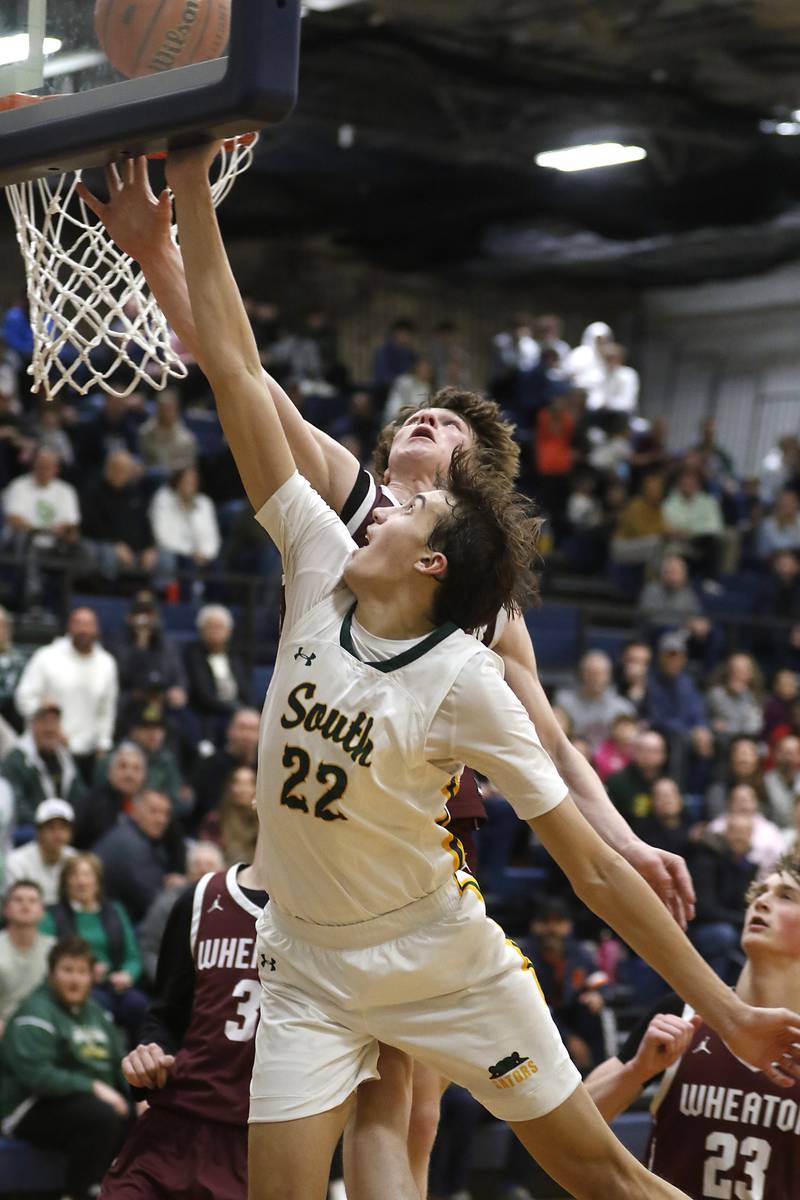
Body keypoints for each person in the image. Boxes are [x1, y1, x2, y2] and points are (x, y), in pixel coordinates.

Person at [160, 141, 800, 1200]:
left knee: (423, 1131)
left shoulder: (475, 644)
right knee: (348, 1150)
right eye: (416, 416)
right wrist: (164, 236)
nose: (420, 423)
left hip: (418, 880)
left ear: (454, 518)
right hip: (312, 928)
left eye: (445, 428)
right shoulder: (338, 519)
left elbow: (549, 748)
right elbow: (240, 374)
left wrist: (626, 840)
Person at [584, 854, 800, 1200]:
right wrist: (636, 1072)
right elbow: (573, 1126)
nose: (761, 900)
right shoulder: (683, 1010)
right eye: (761, 891)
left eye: (786, 895)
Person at [99, 857, 269, 1200]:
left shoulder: (335, 915)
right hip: (173, 1127)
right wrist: (151, 1053)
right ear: (257, 800)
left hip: (257, 1140)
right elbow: (165, 1017)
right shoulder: (201, 897)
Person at [0, 936, 131, 1200]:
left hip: (86, 1103)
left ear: (91, 977)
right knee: (100, 1115)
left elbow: (119, 1061)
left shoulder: (97, 1014)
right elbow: (38, 1077)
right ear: (51, 974)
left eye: (81, 972)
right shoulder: (34, 1012)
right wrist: (93, 1086)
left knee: (146, 1115)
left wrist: (139, 1097)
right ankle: (77, 1193)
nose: (75, 979)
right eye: (67, 970)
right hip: (28, 1106)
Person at [41, 852, 148, 1045]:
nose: (81, 882)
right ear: (65, 883)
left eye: (87, 875)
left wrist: (127, 975)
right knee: (99, 1006)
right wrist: (87, 973)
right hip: (77, 986)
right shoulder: (52, 915)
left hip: (115, 984)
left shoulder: (116, 910)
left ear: (97, 881)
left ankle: (141, 1066)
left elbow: (133, 956)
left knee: (139, 1005)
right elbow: (47, 957)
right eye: (74, 875)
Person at [15, 607, 119, 776]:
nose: (84, 630)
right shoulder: (47, 656)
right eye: (78, 623)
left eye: (89, 624)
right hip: (48, 751)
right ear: (69, 627)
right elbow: (23, 698)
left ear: (97, 629)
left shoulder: (107, 663)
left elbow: (107, 710)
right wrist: (46, 722)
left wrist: (103, 744)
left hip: (88, 755)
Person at [137, 840, 224, 984]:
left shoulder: (232, 907)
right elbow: (148, 950)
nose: (202, 870)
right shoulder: (168, 903)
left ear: (222, 872)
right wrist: (167, 984)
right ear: (187, 871)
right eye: (197, 864)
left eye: (209, 865)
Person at [94, 788, 186, 922]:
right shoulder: (131, 845)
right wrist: (179, 889)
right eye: (153, 811)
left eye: (165, 813)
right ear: (134, 811)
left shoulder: (129, 834)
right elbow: (154, 901)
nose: (161, 819)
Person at [1, 700, 87, 828]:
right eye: (44, 722)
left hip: (63, 829)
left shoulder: (65, 758)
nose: (49, 729)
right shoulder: (15, 760)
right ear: (32, 725)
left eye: (54, 722)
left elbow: (79, 796)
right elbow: (15, 804)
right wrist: (48, 825)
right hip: (29, 831)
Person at [183, 605, 252, 730]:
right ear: (201, 630)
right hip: (209, 713)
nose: (215, 631)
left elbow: (246, 688)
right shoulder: (193, 654)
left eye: (219, 627)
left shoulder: (235, 655)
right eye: (210, 627)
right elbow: (203, 693)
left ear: (229, 631)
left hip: (238, 710)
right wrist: (236, 710)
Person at [0, 879, 55, 1035]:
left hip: (44, 1027)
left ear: (43, 912)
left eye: (32, 901)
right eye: (18, 900)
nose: (25, 905)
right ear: (6, 909)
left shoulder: (54, 950)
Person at [554, 651, 635, 754]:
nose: (595, 678)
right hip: (573, 757)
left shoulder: (623, 708)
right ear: (582, 674)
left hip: (610, 764)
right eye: (591, 673)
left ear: (609, 675)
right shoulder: (564, 703)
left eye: (600, 673)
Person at [74, 740, 147, 849]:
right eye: (123, 766)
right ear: (110, 772)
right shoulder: (91, 804)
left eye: (136, 769)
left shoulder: (150, 807)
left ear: (144, 776)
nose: (129, 774)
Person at [5, 798, 77, 905]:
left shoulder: (75, 859)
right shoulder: (17, 861)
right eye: (51, 828)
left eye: (63, 828)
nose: (58, 834)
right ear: (39, 832)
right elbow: (16, 905)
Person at [149, 464, 221, 571]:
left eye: (193, 482)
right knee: (171, 561)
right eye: (187, 481)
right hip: (175, 555)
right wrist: (190, 554)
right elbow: (162, 537)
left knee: (217, 568)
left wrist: (205, 554)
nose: (190, 485)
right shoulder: (163, 498)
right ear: (178, 481)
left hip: (202, 557)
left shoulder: (204, 503)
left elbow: (212, 537)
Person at [199, 765, 259, 866]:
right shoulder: (216, 820)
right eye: (238, 783)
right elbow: (208, 855)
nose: (243, 789)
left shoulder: (265, 822)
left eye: (249, 784)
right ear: (230, 787)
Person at [138, 386, 199, 471]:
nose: (166, 413)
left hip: (176, 478)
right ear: (158, 410)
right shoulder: (145, 432)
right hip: (150, 476)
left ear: (176, 411)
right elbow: (142, 458)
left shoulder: (187, 439)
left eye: (170, 409)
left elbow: (189, 466)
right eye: (163, 409)